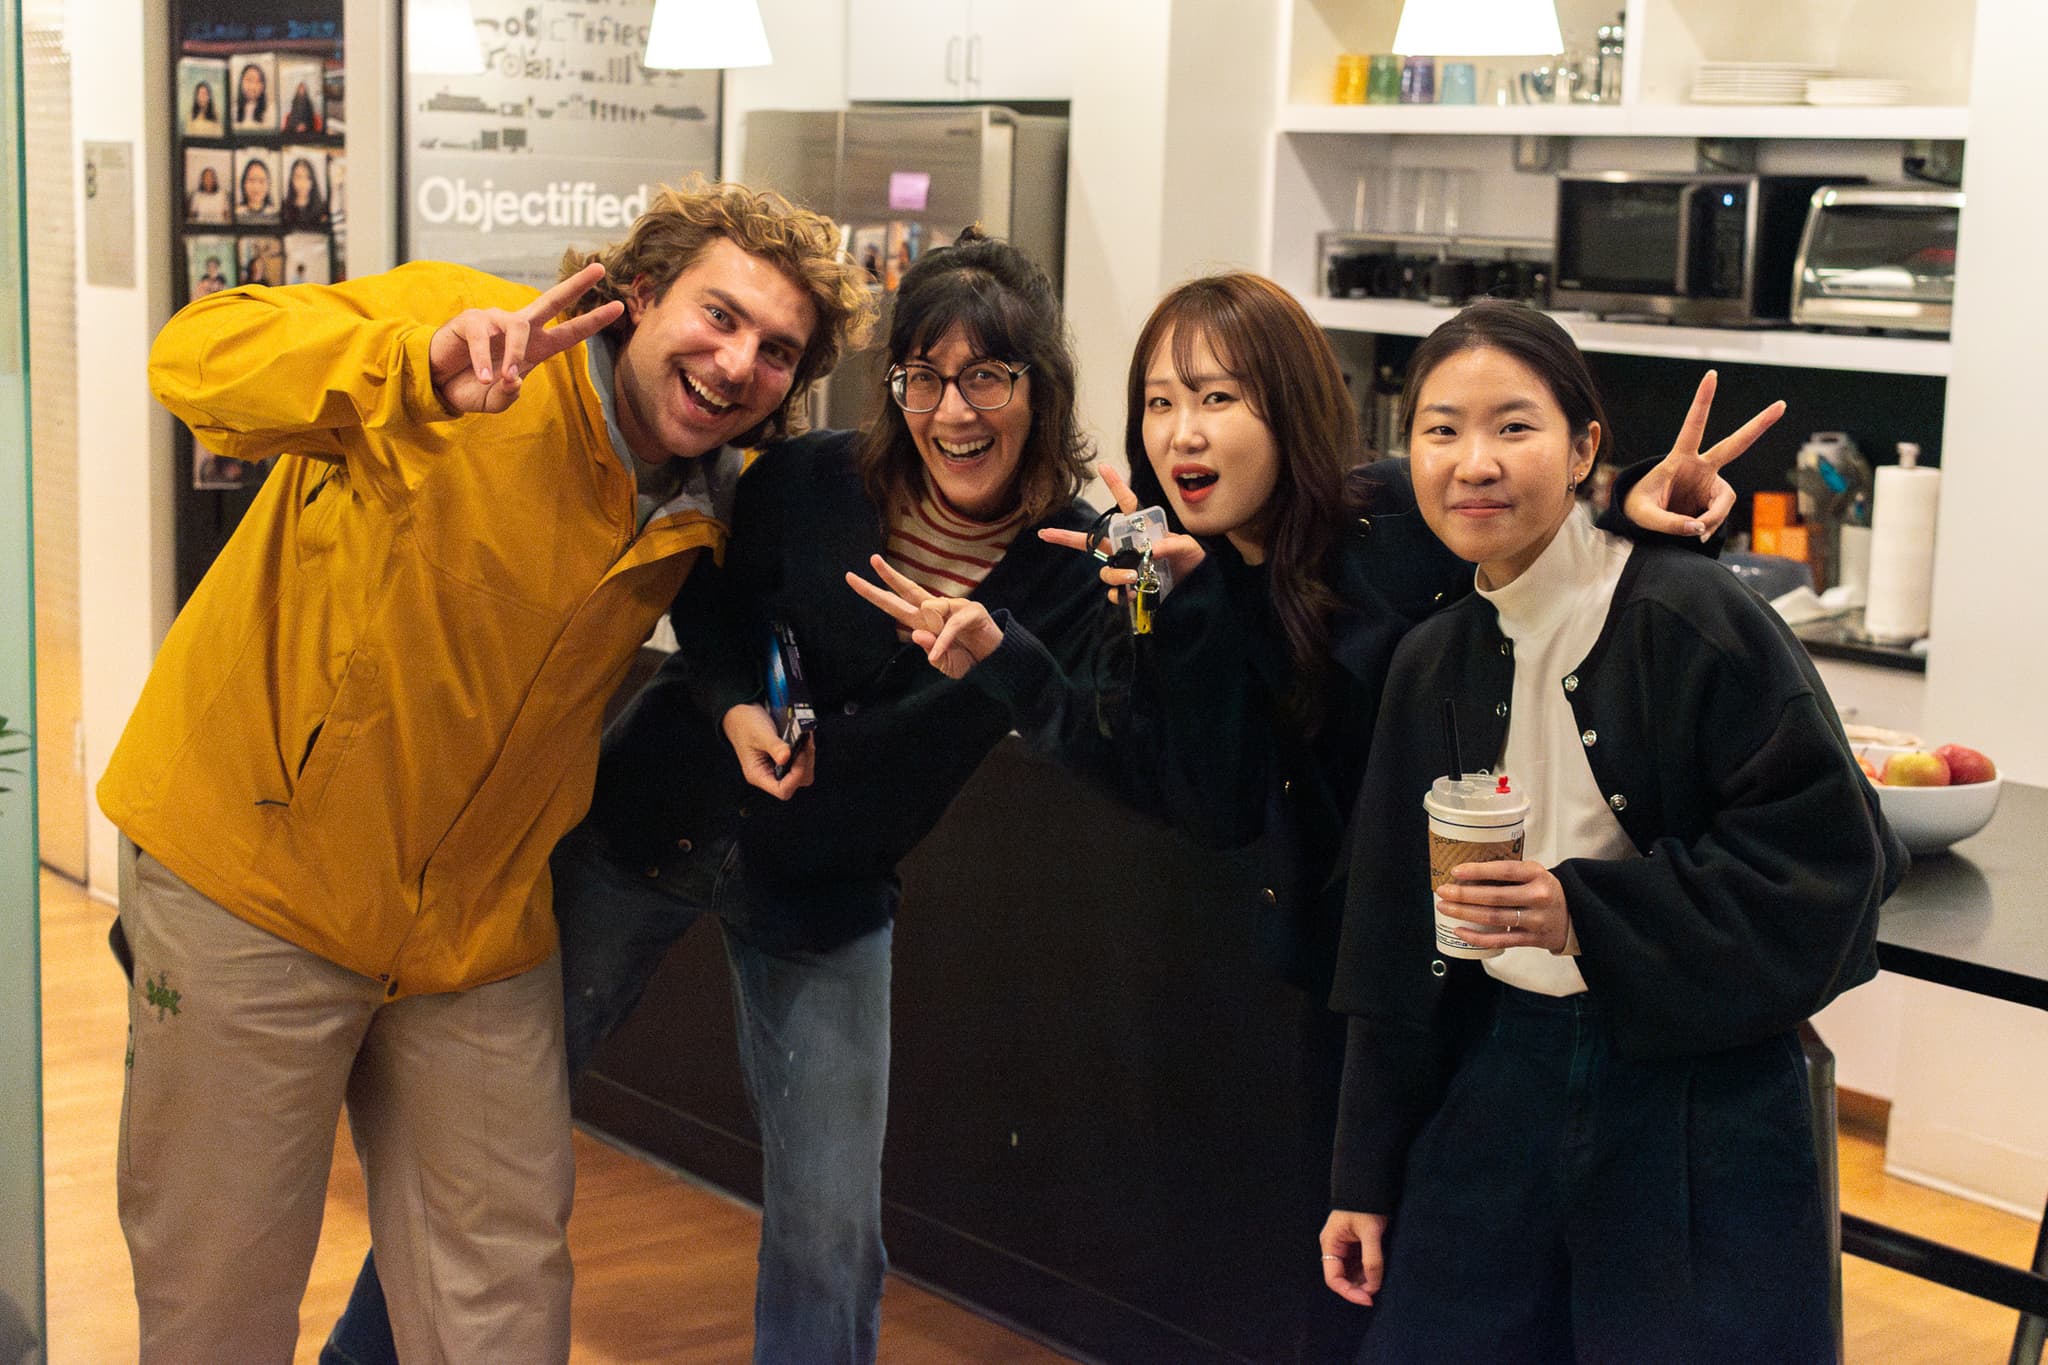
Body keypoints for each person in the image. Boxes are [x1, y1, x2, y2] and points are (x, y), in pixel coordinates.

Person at [853, 272, 1763, 1362]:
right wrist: (1063, 647)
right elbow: (1206, 797)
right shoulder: (1171, 577)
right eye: (1158, 402)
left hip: (1520, 987)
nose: (1182, 433)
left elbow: (1536, 569)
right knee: (1362, 1304)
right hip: (1365, 1003)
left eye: (1218, 399)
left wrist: (1617, 513)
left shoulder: (1391, 521)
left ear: (1287, 406)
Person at [100, 179, 871, 1364]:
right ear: (641, 291)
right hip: (254, 888)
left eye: (776, 351)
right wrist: (409, 369)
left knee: (504, 1300)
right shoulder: (464, 331)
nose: (736, 365)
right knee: (220, 1304)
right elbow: (196, 359)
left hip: (474, 935)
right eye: (718, 317)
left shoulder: (706, 500)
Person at [321, 227, 1108, 1365]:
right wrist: (738, 702)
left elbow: (1085, 729)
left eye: (988, 374)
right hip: (646, 819)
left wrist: (1027, 646)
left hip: (825, 892)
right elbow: (712, 600)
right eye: (924, 375)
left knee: (829, 1223)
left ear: (1039, 386)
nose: (954, 410)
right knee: (482, 1153)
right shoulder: (813, 478)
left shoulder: (1071, 558)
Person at [1316, 300, 1904, 1361]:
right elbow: (1390, 945)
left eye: (1514, 426)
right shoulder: (1430, 660)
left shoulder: (1693, 619)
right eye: (1440, 430)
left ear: (1586, 446)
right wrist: (1361, 1175)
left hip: (1700, 1098)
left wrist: (1579, 911)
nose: (1473, 463)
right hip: (1503, 1070)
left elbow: (1834, 871)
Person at [281, 156, 327, 230]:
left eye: (308, 177)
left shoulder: (323, 208)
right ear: (291, 180)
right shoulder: (283, 207)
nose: (303, 183)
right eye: (298, 177)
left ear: (313, 181)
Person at [236, 156, 275, 222]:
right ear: (243, 184)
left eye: (261, 181)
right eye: (251, 180)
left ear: (268, 185)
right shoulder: (236, 214)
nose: (256, 187)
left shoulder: (276, 215)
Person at [235, 60, 269, 128]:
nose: (253, 86)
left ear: (263, 86)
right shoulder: (233, 110)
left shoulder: (270, 111)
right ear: (241, 82)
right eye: (249, 80)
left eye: (258, 81)